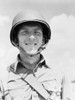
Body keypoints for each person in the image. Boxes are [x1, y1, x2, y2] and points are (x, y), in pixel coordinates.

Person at [4, 9, 72, 100]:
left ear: (43, 40)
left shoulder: (60, 74)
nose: (32, 37)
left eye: (37, 33)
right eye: (25, 32)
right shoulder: (3, 76)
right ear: (16, 39)